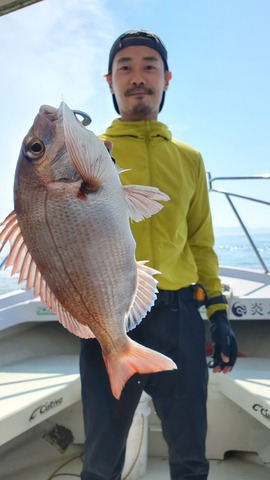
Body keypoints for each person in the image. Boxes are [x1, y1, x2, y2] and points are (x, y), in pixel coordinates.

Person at [79, 30, 238, 480]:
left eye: (149, 66)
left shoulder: (189, 158)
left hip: (179, 314)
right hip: (107, 315)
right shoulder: (88, 152)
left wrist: (219, 314)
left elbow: (200, 240)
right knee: (101, 457)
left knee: (189, 453)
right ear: (109, 81)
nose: (137, 77)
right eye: (125, 67)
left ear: (166, 78)